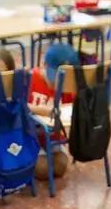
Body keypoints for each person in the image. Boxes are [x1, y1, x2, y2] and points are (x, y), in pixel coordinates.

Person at [28, 42, 79, 180]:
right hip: (30, 137)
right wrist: (42, 110)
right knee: (43, 169)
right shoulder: (30, 79)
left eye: (64, 76)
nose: (58, 81)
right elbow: (18, 106)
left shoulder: (67, 85)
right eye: (56, 74)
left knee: (60, 167)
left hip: (53, 137)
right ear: (44, 65)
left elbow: (72, 109)